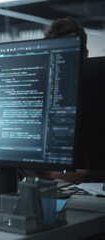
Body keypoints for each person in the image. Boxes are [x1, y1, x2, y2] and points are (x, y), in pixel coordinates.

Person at [39, 16, 105, 184]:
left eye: (70, 53)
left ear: (86, 54)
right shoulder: (41, 102)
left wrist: (59, 175)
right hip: (47, 193)